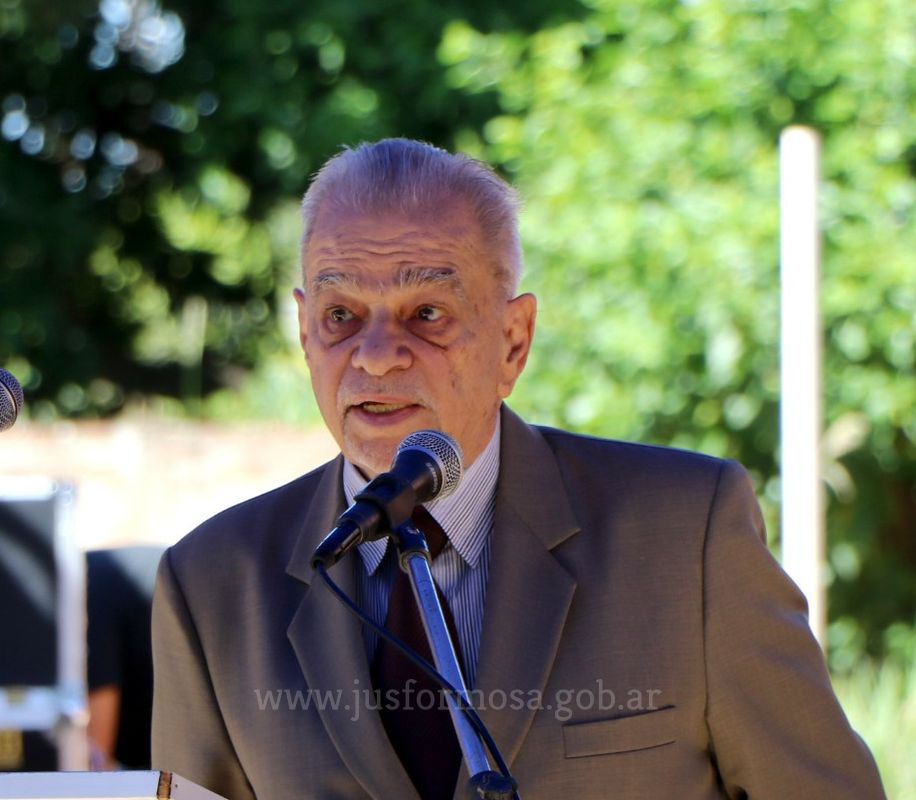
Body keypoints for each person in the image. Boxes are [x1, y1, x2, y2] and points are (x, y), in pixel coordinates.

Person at [151, 138, 885, 799]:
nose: (375, 355)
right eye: (342, 317)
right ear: (305, 332)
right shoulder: (212, 584)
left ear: (513, 340)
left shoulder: (686, 534)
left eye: (427, 314)